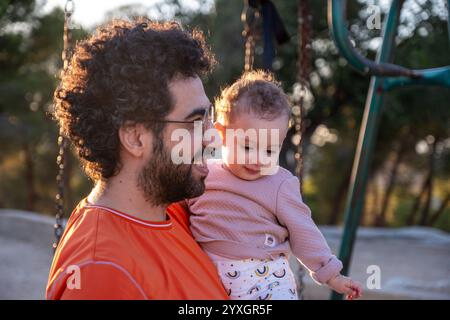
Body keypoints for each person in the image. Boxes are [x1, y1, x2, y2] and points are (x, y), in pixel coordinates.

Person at [46, 18, 228, 300]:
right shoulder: (102, 273)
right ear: (135, 138)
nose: (211, 137)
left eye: (209, 118)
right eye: (194, 122)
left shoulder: (173, 211)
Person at [188, 70, 363, 300]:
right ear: (221, 134)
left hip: (266, 281)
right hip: (209, 279)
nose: (259, 159)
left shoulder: (278, 184)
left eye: (270, 150)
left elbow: (304, 231)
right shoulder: (203, 173)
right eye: (248, 147)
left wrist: (332, 276)